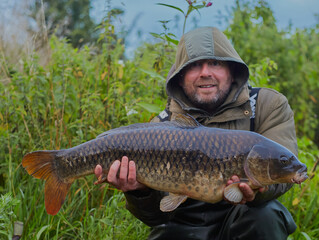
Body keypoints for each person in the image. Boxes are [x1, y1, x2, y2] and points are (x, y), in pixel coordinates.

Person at [94, 26, 298, 240]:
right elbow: (155, 217)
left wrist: (258, 191)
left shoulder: (267, 105)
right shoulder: (161, 127)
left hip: (243, 218)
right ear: (180, 76)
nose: (205, 73)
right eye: (194, 66)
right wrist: (138, 192)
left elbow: (284, 171)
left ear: (231, 69)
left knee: (266, 215)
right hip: (181, 224)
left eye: (215, 63)